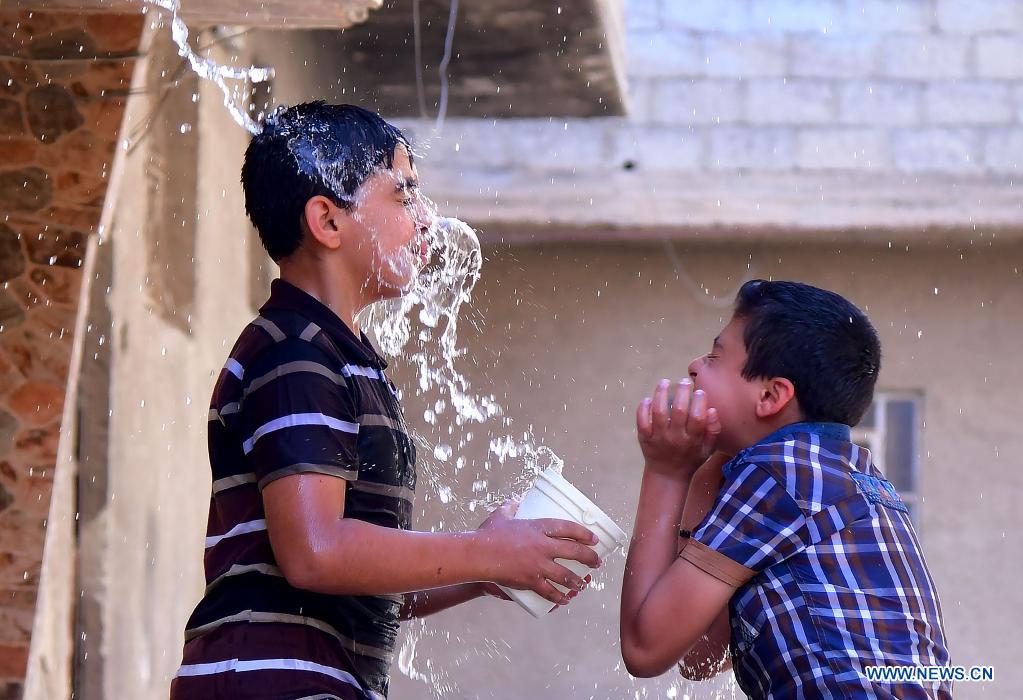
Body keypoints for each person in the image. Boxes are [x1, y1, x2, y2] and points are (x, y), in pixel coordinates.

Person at [170, 102, 600, 700]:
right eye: (404, 198)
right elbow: (315, 553)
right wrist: (484, 552)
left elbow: (354, 575)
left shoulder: (339, 354)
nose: (427, 222)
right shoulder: (295, 354)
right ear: (327, 221)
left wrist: (484, 568)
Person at [619, 280, 951, 698]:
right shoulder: (842, 472)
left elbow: (644, 647)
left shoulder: (781, 473)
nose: (693, 366)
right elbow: (697, 654)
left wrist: (666, 473)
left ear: (771, 395)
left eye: (714, 357)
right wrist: (702, 475)